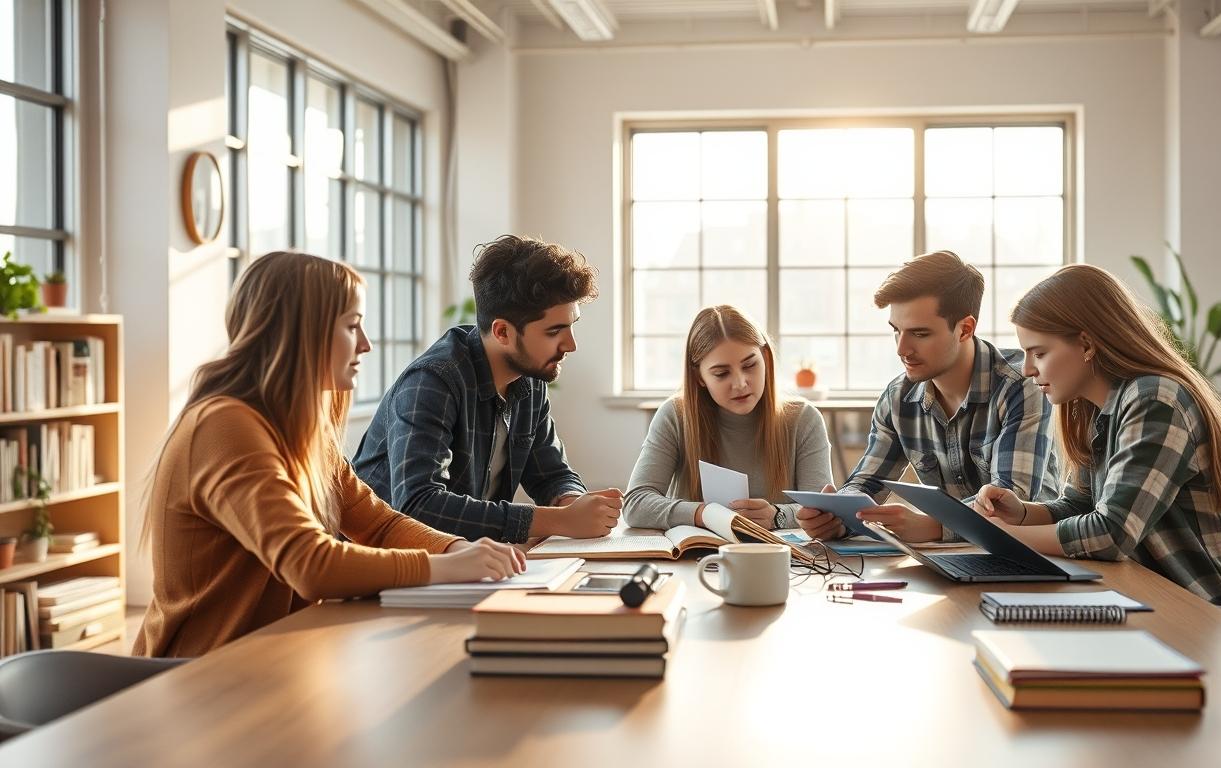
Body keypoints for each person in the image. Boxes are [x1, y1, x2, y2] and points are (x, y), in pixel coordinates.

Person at [135, 252, 524, 658]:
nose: (366, 344)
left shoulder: (300, 428)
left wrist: (455, 548)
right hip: (198, 675)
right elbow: (310, 565)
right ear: (302, 332)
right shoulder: (224, 426)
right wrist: (446, 569)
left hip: (272, 659)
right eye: (352, 326)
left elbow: (377, 524)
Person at [971, 264, 1221, 606]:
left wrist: (1005, 538)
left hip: (1212, 611)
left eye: (1039, 353)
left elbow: (1111, 533)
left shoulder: (1156, 399)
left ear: (1086, 345)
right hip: (1149, 597)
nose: (1026, 369)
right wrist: (1021, 513)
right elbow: (1078, 505)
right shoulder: (1091, 408)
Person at [353, 234, 621, 543]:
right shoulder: (433, 381)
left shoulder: (530, 378)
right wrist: (558, 520)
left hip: (464, 561)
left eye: (572, 325)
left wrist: (574, 504)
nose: (571, 345)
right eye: (554, 331)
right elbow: (418, 505)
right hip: (392, 566)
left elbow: (551, 475)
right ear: (503, 332)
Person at [796, 250, 1058, 542]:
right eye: (896, 331)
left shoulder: (1022, 384)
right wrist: (838, 517)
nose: (902, 349)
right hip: (950, 559)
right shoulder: (898, 399)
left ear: (965, 329)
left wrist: (934, 526)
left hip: (1033, 553)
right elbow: (866, 484)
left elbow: (1010, 499)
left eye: (920, 334)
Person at [625, 305, 832, 530]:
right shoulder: (675, 415)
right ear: (699, 377)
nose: (741, 383)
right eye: (722, 373)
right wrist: (703, 514)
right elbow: (636, 503)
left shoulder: (804, 419)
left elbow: (821, 511)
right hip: (695, 560)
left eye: (750, 365)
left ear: (765, 359)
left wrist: (777, 515)